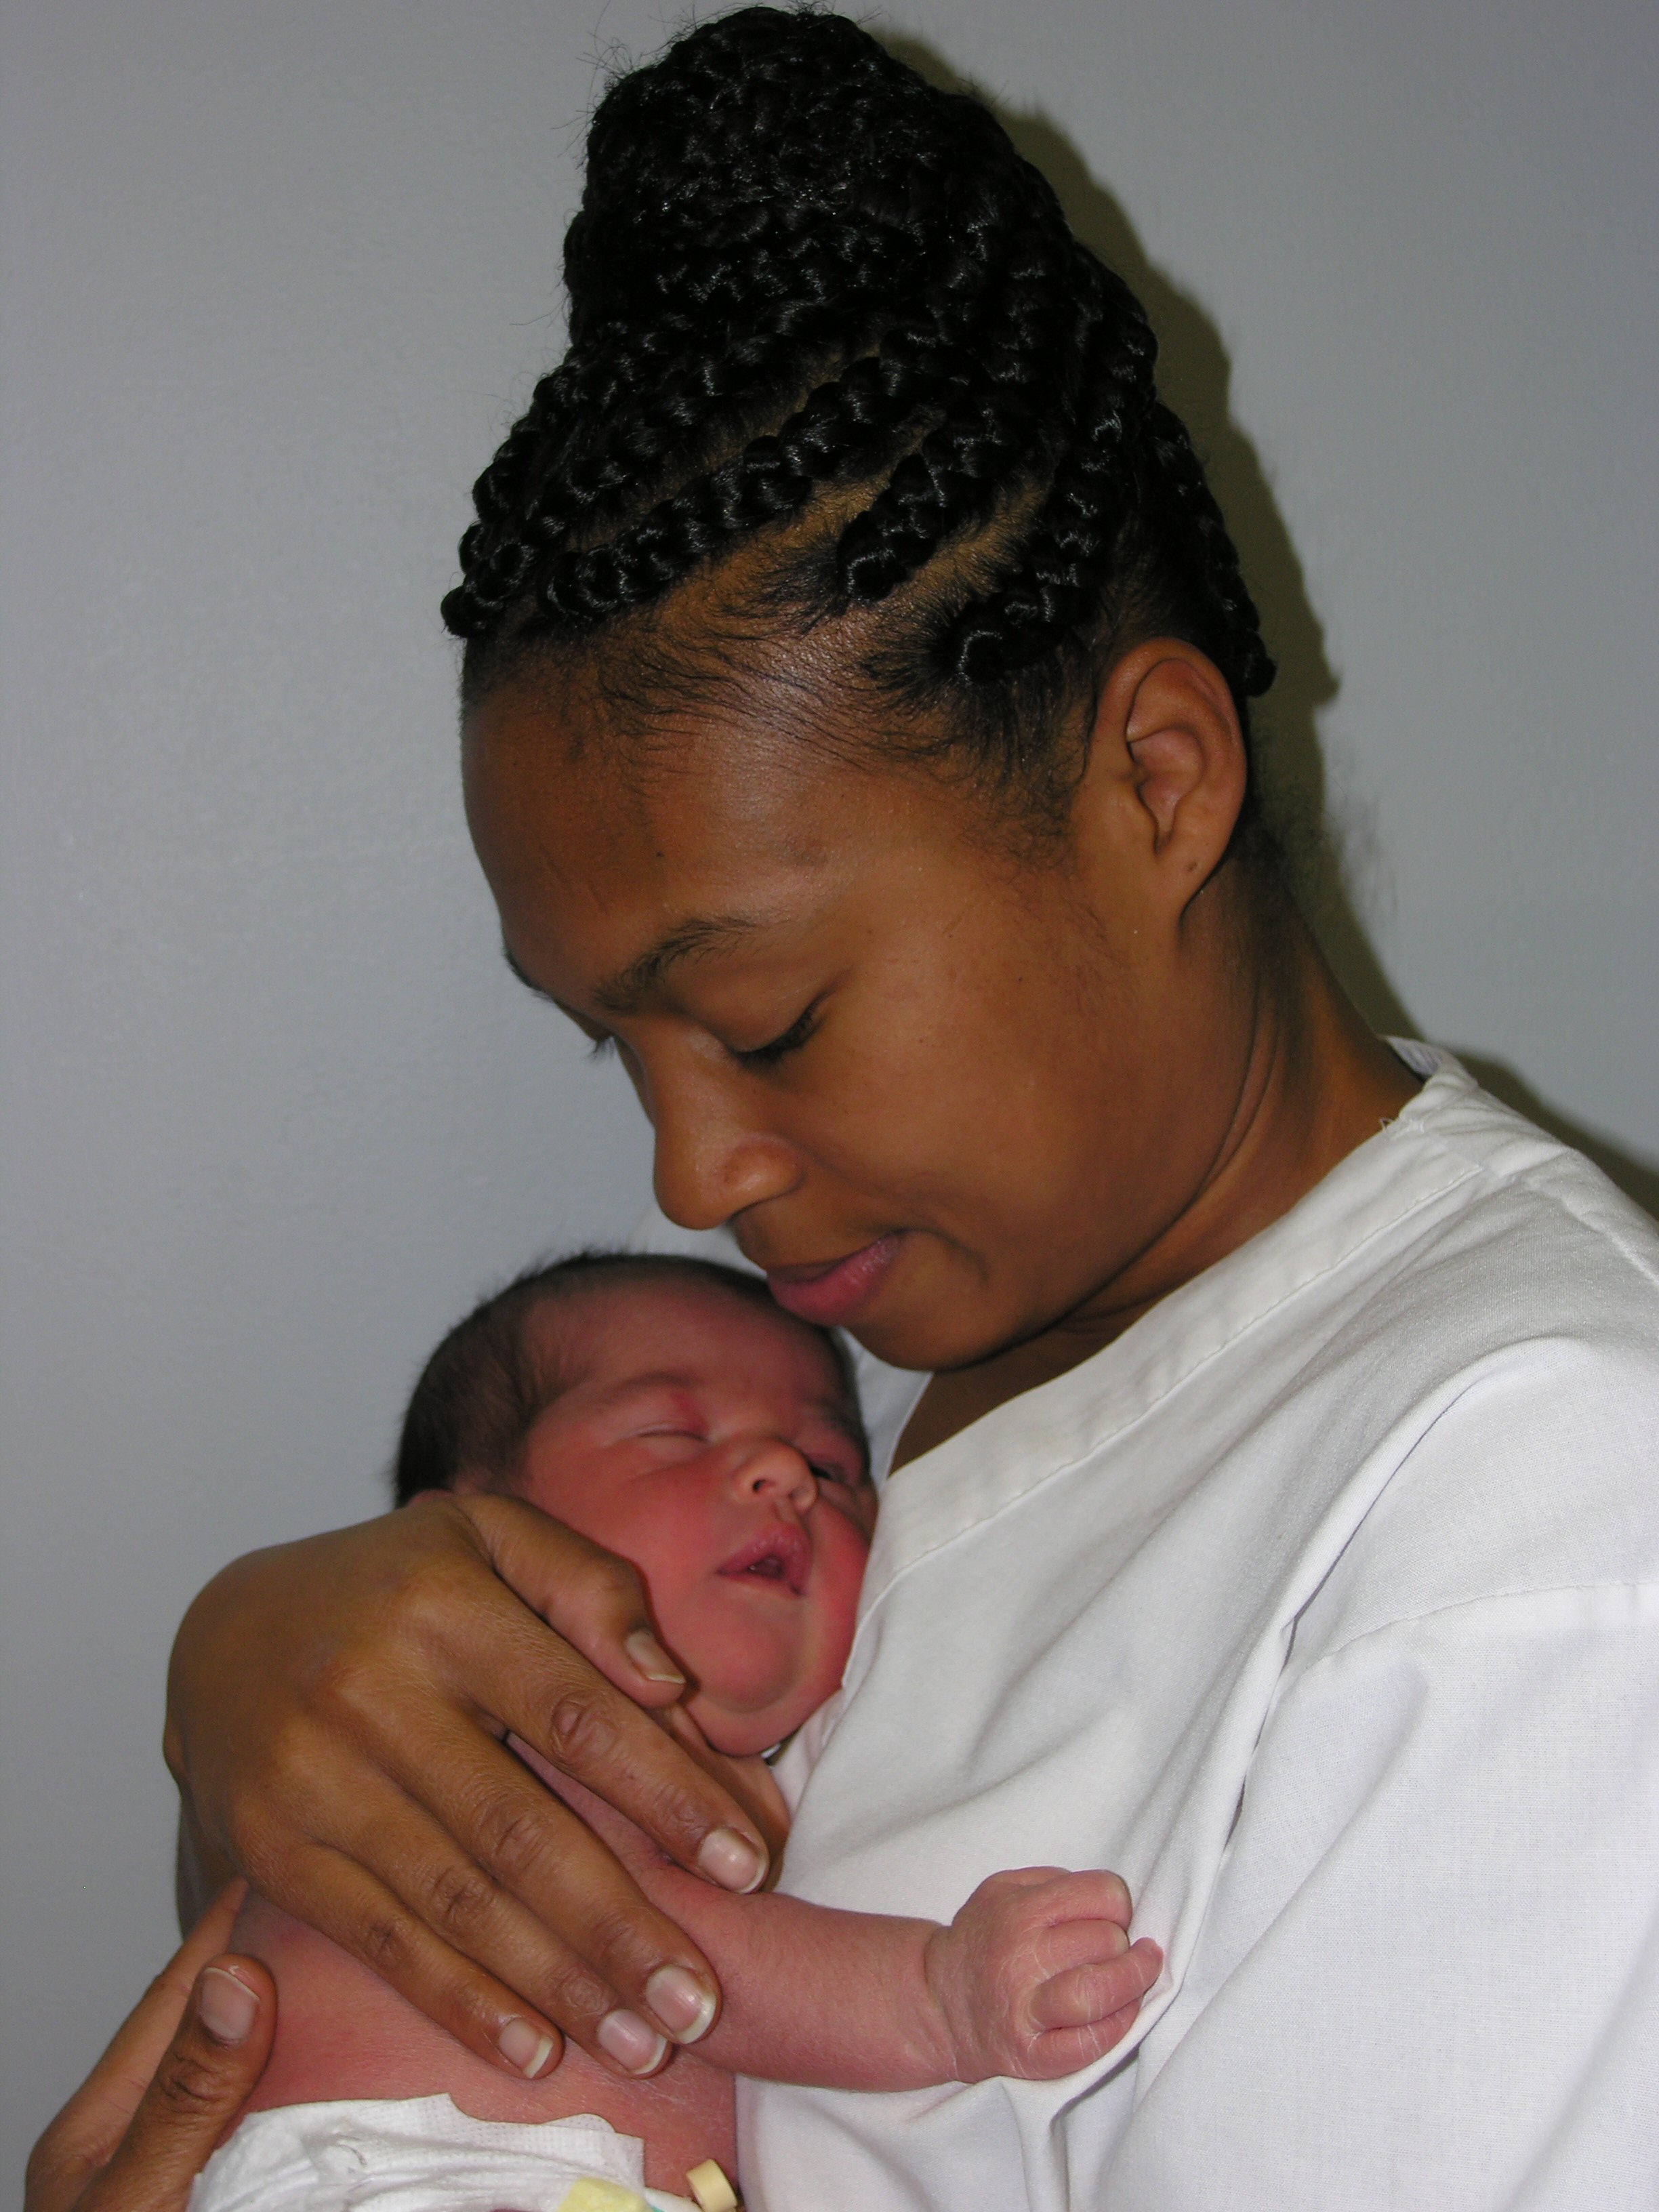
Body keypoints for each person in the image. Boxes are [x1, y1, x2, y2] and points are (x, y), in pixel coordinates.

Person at [122, 7, 1659, 2205]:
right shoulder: (922, 1381)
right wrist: (244, 1702)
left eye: (762, 1023)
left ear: (1153, 781)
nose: (687, 1173)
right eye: (612, 1049)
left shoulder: (1534, 1521)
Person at [188, 1252, 1159, 2211]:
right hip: (408, 2175)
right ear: (460, 1540)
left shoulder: (813, 1766)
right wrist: (936, 1995)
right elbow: (666, 1951)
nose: (784, 1473)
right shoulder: (475, 1722)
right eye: (671, 1434)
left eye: (832, 1466)